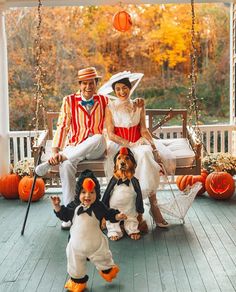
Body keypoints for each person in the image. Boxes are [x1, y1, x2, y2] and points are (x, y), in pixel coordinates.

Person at [35, 67, 143, 230]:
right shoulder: (69, 100)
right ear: (79, 84)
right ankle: (68, 214)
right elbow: (63, 126)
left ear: (96, 83)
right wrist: (56, 150)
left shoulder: (104, 101)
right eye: (84, 83)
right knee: (65, 165)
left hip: (96, 149)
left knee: (98, 137)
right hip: (74, 148)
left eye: (91, 83)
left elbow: (122, 102)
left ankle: (61, 158)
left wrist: (136, 102)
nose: (88, 87)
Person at [100, 71, 176, 228]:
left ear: (130, 88)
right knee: (122, 161)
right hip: (120, 144)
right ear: (115, 91)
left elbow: (143, 130)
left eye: (125, 88)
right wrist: (127, 144)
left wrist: (154, 147)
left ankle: (153, 206)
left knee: (146, 153)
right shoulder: (110, 107)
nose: (122, 92)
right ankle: (118, 213)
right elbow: (111, 134)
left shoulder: (139, 104)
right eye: (118, 89)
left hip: (138, 141)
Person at [51, 169, 127, 292]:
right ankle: (77, 281)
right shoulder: (74, 206)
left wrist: (118, 216)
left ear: (96, 193)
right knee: (75, 265)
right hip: (76, 246)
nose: (87, 196)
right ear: (78, 193)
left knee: (104, 258)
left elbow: (108, 214)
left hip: (95, 244)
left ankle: (107, 270)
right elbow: (64, 215)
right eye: (83, 192)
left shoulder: (98, 206)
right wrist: (57, 207)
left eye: (92, 192)